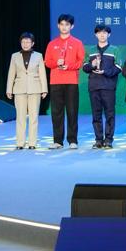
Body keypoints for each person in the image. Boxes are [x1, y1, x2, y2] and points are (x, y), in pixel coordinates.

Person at [44, 13, 84, 149]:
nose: (64, 27)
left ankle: (73, 140)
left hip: (71, 81)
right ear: (58, 25)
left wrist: (69, 66)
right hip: (55, 81)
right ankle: (58, 141)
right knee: (56, 112)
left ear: (72, 26)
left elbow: (81, 62)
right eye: (62, 24)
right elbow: (47, 62)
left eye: (67, 24)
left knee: (72, 112)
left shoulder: (77, 43)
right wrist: (56, 63)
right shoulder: (52, 44)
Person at [81, 24, 122, 149]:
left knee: (110, 114)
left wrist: (106, 72)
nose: (102, 35)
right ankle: (98, 140)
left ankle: (108, 140)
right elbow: (84, 67)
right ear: (95, 35)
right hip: (94, 86)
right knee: (96, 115)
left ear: (109, 34)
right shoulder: (90, 50)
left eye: (104, 32)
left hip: (108, 87)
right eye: (99, 32)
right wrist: (92, 65)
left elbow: (119, 67)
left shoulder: (115, 50)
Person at [6, 32, 48, 149]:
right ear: (20, 43)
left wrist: (44, 89)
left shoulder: (38, 56)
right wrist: (9, 89)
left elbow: (42, 73)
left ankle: (32, 143)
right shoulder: (15, 56)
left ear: (32, 43)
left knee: (34, 117)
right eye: (23, 42)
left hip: (35, 89)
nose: (25, 44)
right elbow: (11, 73)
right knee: (20, 117)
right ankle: (20, 143)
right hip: (19, 89)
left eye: (28, 42)